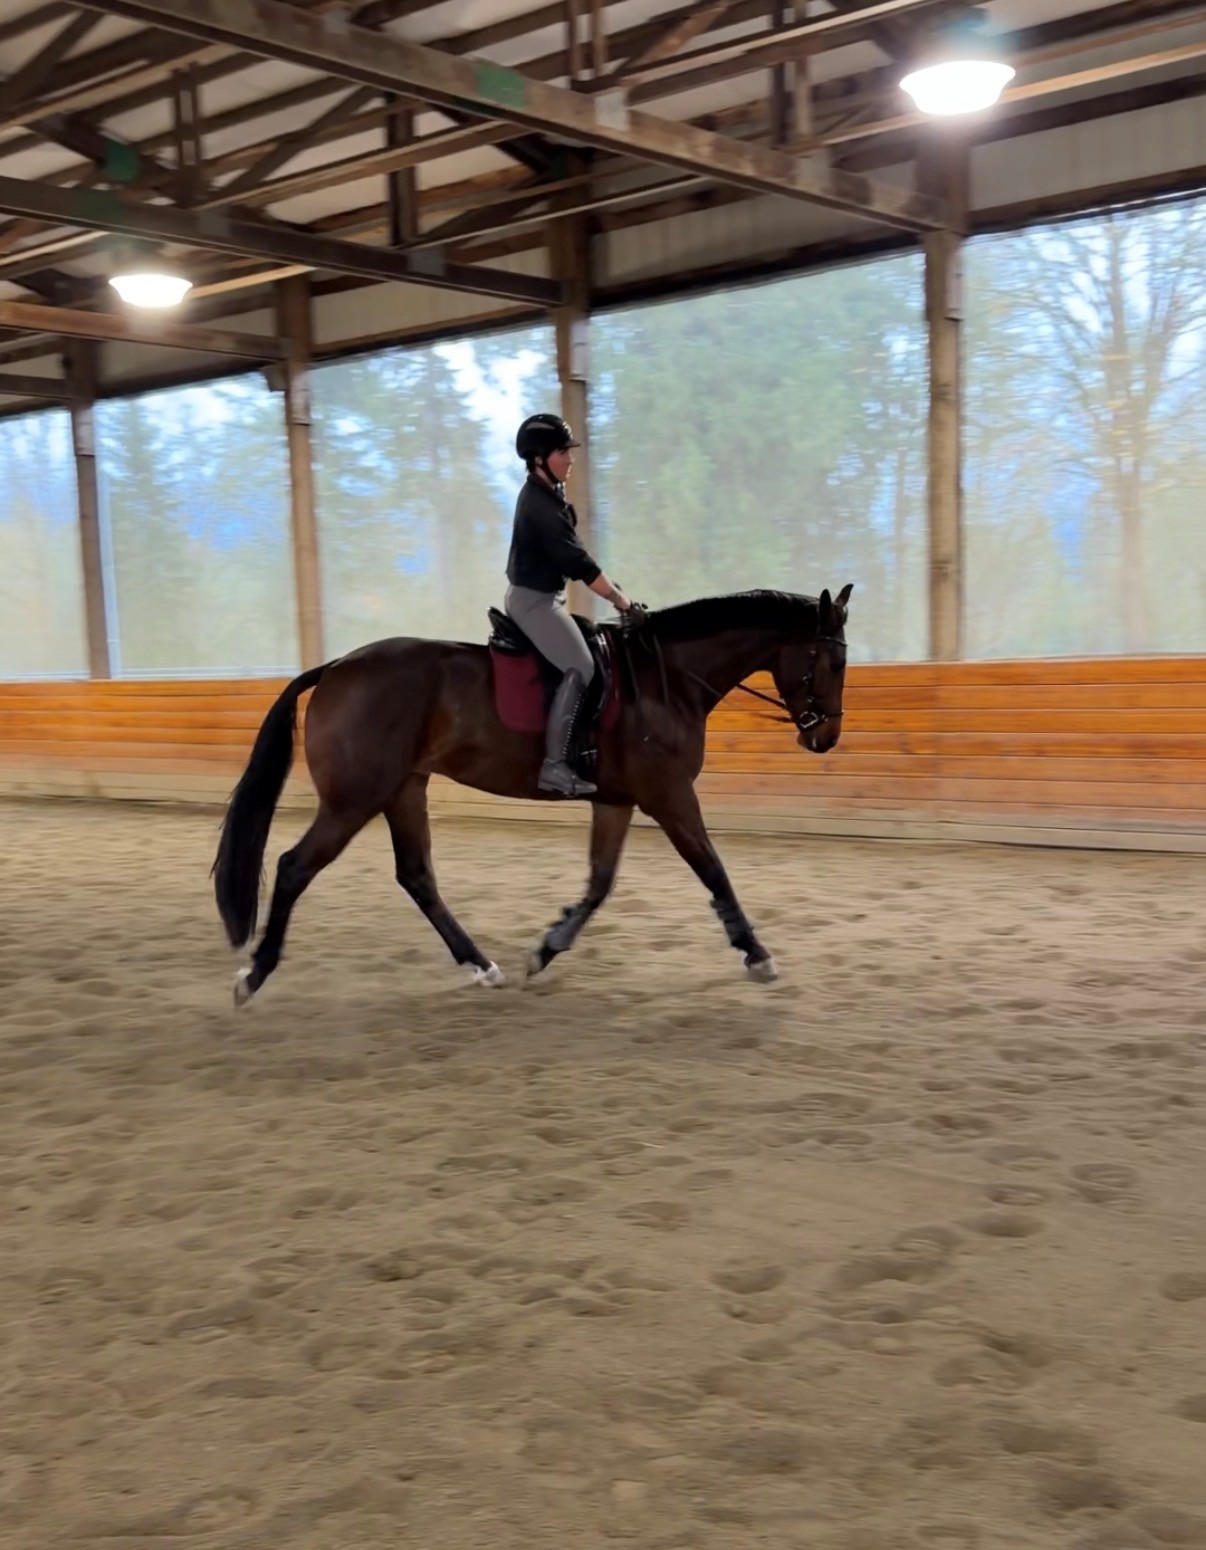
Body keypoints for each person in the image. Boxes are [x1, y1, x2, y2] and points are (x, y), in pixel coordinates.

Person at [504, 412, 644, 799]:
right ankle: (554, 767)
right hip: (534, 602)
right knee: (580, 666)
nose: (570, 459)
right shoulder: (541, 506)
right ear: (538, 459)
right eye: (563, 451)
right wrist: (622, 602)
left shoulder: (548, 495)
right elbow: (581, 565)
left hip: (545, 598)